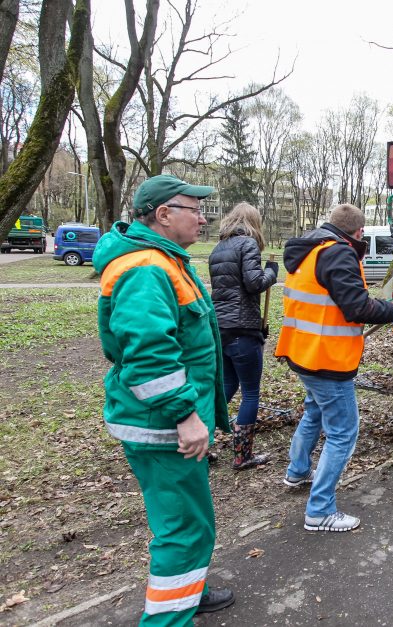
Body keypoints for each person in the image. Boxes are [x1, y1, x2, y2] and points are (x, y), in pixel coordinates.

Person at [93, 174, 235, 624]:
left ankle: (188, 592)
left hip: (165, 421)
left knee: (188, 518)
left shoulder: (165, 260)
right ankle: (168, 618)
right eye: (194, 209)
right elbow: (149, 355)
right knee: (184, 528)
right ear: (163, 214)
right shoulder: (146, 268)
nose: (203, 218)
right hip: (161, 424)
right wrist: (186, 416)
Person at [275, 203, 393, 532]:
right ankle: (320, 510)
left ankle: (297, 472)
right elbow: (356, 306)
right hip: (327, 359)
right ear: (359, 232)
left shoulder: (309, 249)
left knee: (314, 412)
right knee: (343, 434)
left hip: (302, 353)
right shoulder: (339, 253)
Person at [208, 202, 279, 470]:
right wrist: (272, 271)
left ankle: (203, 444)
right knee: (250, 392)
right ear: (253, 222)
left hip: (221, 328)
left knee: (226, 386)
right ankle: (243, 455)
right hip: (242, 329)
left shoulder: (219, 248)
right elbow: (254, 283)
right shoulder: (247, 244)